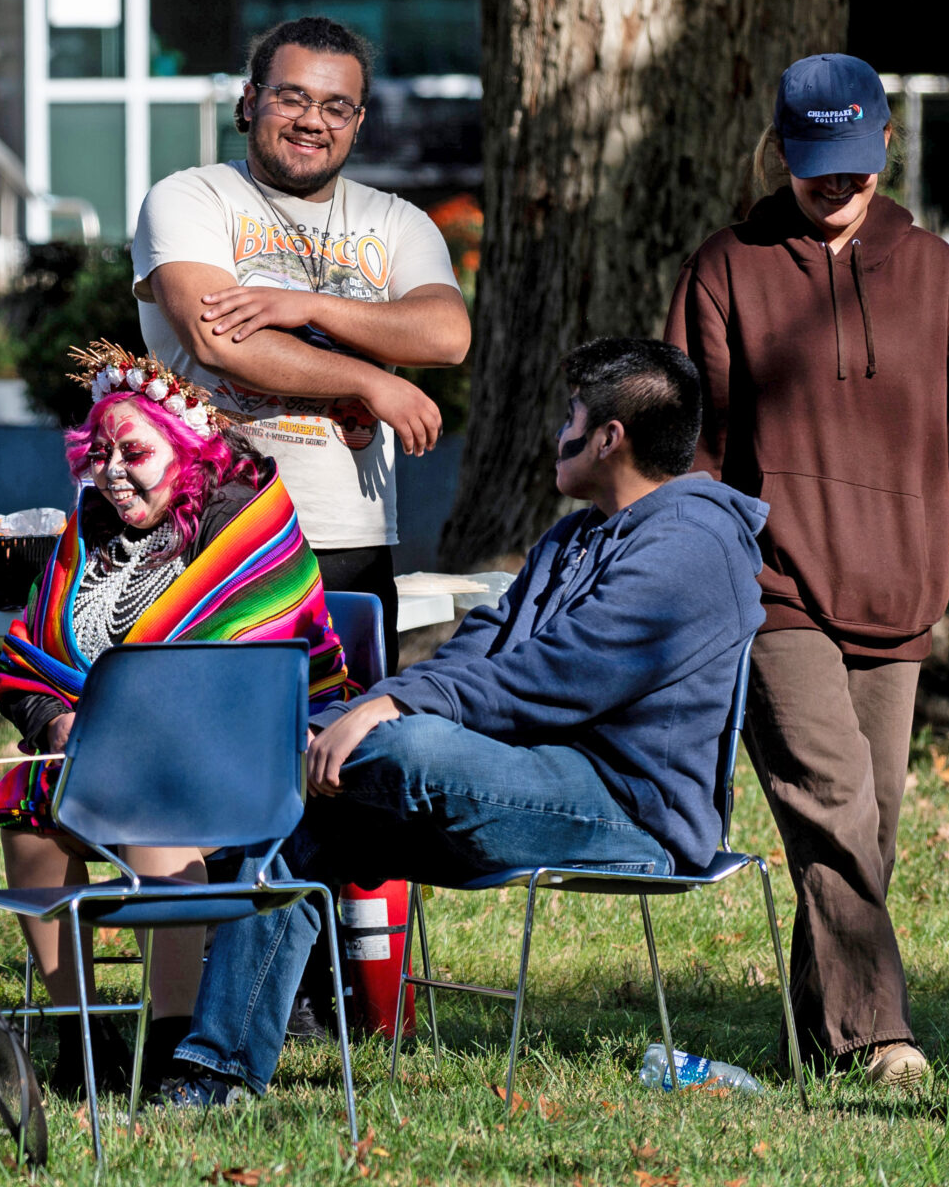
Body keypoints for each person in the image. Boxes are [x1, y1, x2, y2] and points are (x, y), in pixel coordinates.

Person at [161, 339, 765, 1107]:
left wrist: (388, 708)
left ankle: (228, 823)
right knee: (312, 813)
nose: (558, 430)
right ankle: (216, 1074)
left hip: (633, 811)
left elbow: (561, 677)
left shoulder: (694, 547)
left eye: (572, 415)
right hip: (519, 777)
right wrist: (348, 717)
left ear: (611, 437)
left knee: (405, 746)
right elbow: (475, 650)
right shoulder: (572, 538)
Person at [665, 52, 949, 1089]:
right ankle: (879, 1037)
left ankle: (817, 1033)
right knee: (829, 805)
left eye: (854, 160)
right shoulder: (726, 267)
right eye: (812, 160)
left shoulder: (931, 275)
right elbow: (694, 449)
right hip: (773, 591)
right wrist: (693, 579)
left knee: (864, 832)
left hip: (898, 593)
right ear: (780, 149)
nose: (835, 182)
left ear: (885, 142)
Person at [0, 342, 351, 1095]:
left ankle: (175, 1034)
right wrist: (56, 723)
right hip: (97, 764)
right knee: (28, 815)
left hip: (230, 767)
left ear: (186, 447)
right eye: (100, 451)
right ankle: (82, 1033)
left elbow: (259, 673)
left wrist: (140, 733)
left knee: (153, 810)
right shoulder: (86, 532)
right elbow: (26, 660)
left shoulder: (248, 527)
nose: (113, 471)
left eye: (134, 451)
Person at [131, 14, 470, 664]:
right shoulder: (193, 198)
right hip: (213, 532)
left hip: (352, 536)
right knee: (222, 744)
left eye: (337, 106)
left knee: (343, 747)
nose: (314, 120)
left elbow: (447, 334)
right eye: (292, 97)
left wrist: (308, 304)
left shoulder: (396, 221)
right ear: (251, 98)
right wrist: (369, 378)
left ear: (359, 121)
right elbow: (219, 342)